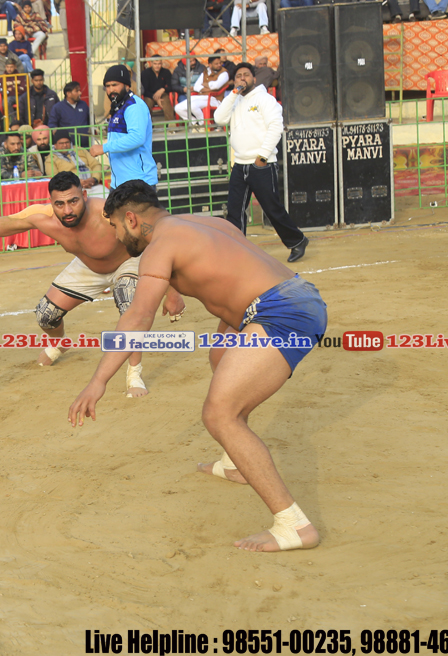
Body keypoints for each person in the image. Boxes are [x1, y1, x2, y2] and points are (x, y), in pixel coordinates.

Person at [69, 180, 326, 552]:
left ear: (131, 219)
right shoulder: (203, 223)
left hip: (282, 314)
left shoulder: (160, 246)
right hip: (295, 296)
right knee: (220, 357)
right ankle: (235, 462)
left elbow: (138, 317)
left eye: (115, 227)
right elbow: (235, 271)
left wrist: (98, 381)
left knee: (219, 414)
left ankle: (294, 525)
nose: (116, 238)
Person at [0, 170, 184, 387]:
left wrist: (172, 290)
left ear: (84, 195)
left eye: (73, 201)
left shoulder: (107, 212)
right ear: (51, 202)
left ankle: (134, 372)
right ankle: (60, 342)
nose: (67, 210)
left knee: (128, 303)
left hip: (128, 260)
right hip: (88, 265)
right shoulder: (41, 217)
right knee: (45, 316)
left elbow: (157, 237)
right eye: (59, 204)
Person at [214, 63, 309, 262]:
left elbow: (276, 127)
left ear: (254, 79)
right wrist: (233, 93)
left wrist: (262, 157)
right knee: (235, 211)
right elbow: (219, 119)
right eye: (238, 76)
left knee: (272, 208)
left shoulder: (265, 99)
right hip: (240, 164)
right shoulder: (234, 100)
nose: (242, 78)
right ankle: (236, 250)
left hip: (262, 164)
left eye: (246, 75)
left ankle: (297, 241)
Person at [89, 64, 159, 187]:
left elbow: (137, 137)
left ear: (127, 85)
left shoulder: (134, 106)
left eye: (115, 85)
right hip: (120, 183)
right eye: (107, 86)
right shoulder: (118, 105)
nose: (111, 90)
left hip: (138, 182)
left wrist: (104, 148)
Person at [176, 52, 229, 123]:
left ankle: (203, 124)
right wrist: (207, 88)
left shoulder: (224, 73)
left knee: (193, 106)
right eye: (216, 64)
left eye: (220, 63)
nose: (219, 65)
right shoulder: (205, 72)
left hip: (214, 99)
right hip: (201, 97)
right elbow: (196, 86)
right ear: (210, 65)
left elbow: (216, 86)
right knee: (178, 108)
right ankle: (194, 123)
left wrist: (206, 84)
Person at [46, 81, 90, 148]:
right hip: (68, 148)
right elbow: (52, 124)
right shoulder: (58, 107)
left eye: (79, 90)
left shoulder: (83, 105)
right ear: (68, 94)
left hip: (86, 146)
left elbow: (90, 120)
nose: (80, 93)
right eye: (77, 91)